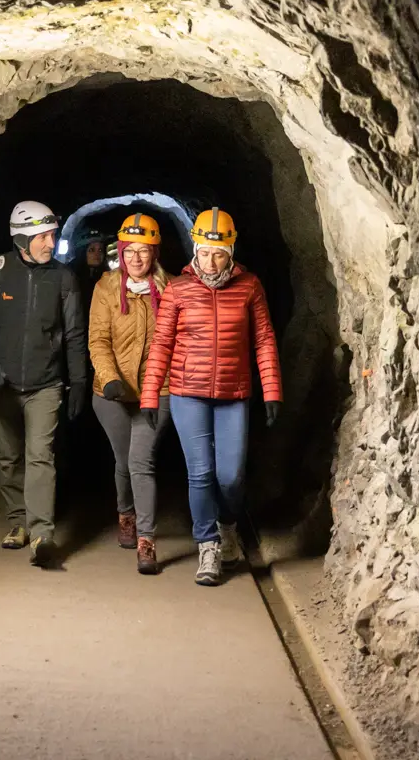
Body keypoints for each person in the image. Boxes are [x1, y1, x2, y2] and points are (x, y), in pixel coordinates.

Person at [139, 207, 282, 586]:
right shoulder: (178, 289)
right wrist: (151, 394)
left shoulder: (249, 286)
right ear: (195, 249)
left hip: (234, 392)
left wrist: (271, 390)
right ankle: (208, 545)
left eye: (218, 253)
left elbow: (264, 339)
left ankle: (228, 525)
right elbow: (162, 344)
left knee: (231, 475)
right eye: (204, 252)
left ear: (231, 252)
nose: (211, 260)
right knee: (200, 472)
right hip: (189, 393)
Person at [0, 200, 89, 568]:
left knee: (40, 456)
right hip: (1, 382)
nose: (51, 243)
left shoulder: (63, 278)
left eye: (52, 235)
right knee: (9, 455)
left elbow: (74, 334)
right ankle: (17, 521)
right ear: (22, 238)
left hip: (45, 385)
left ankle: (41, 533)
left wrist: (78, 380)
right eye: (44, 237)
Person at [88, 213, 173, 574]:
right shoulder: (106, 288)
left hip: (159, 392)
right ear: (120, 252)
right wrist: (109, 379)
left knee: (141, 462)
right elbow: (99, 339)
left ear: (154, 253)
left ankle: (146, 540)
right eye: (129, 251)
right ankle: (126, 513)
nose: (136, 259)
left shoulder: (171, 289)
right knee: (123, 462)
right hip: (112, 394)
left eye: (144, 251)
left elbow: (177, 342)